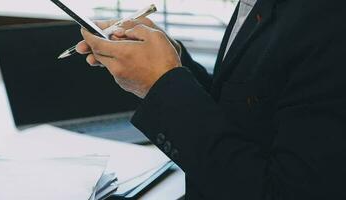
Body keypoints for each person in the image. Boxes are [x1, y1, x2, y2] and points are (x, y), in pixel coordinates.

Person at [76, 0, 346, 199]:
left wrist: (161, 82)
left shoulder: (329, 22)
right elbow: (245, 114)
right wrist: (172, 61)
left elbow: (282, 192)